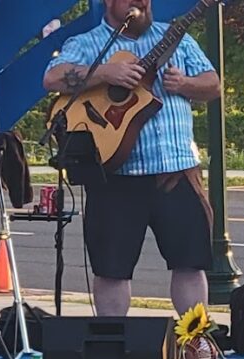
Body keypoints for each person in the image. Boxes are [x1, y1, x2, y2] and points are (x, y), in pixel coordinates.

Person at [42, 0, 221, 316]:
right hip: (114, 175)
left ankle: (196, 348)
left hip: (176, 171)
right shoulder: (87, 44)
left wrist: (185, 84)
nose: (141, 2)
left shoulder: (178, 38)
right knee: (112, 269)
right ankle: (113, 350)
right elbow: (53, 78)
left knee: (190, 263)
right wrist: (105, 72)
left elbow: (213, 84)